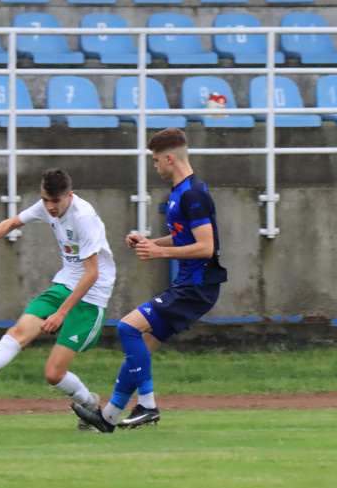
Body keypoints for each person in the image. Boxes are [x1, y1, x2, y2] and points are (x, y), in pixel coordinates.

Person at [0, 169, 115, 431]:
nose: (50, 207)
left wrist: (61, 314)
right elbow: (14, 221)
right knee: (19, 330)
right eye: (46, 200)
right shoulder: (45, 206)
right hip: (65, 284)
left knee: (53, 374)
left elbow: (92, 273)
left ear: (69, 196)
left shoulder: (84, 218)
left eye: (56, 201)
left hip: (91, 294)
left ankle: (89, 404)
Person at [72, 128, 227, 433]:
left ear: (169, 158)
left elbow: (206, 247)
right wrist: (150, 241)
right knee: (140, 343)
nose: (154, 166)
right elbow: (186, 237)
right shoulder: (182, 191)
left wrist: (158, 253)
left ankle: (148, 406)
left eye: (156, 160)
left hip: (196, 286)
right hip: (190, 284)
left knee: (127, 327)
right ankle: (110, 417)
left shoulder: (193, 194)